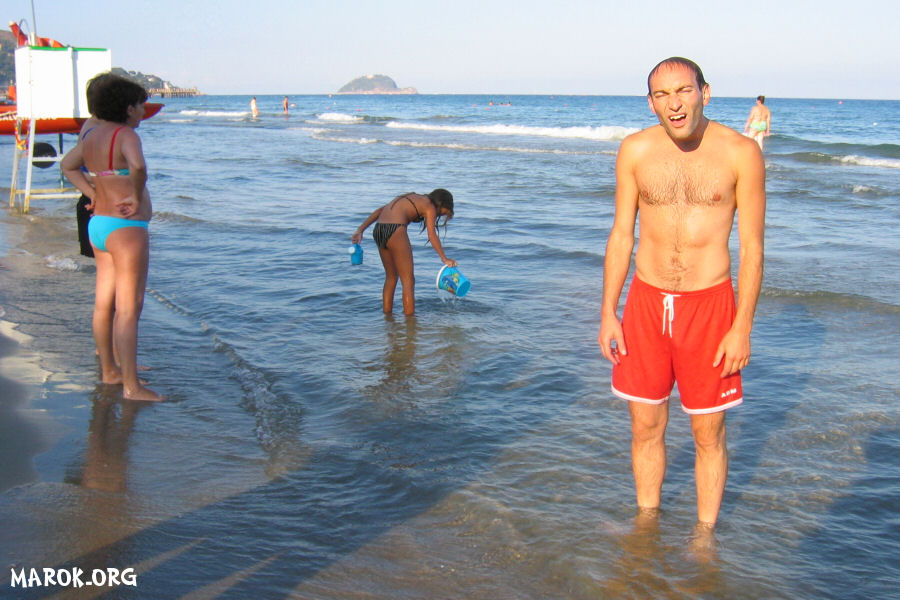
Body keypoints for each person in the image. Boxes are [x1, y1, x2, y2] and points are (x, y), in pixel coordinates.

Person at [597, 57, 765, 530]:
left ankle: (705, 536)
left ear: (704, 93)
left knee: (708, 432)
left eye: (684, 91)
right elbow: (621, 236)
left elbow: (753, 247)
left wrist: (742, 326)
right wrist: (608, 311)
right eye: (663, 94)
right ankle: (646, 523)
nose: (675, 103)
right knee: (644, 426)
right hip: (645, 305)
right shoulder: (634, 150)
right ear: (651, 103)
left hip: (709, 307)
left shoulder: (741, 153)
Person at [61, 73, 163, 401]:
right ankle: (132, 386)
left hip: (99, 225)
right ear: (128, 108)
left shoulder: (91, 136)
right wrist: (134, 195)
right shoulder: (126, 135)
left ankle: (110, 371)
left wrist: (93, 193)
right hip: (126, 229)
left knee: (103, 303)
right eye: (140, 105)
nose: (143, 111)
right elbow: (138, 167)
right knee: (129, 308)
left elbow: (68, 165)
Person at [351, 190, 456, 315]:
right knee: (408, 281)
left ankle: (387, 317)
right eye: (441, 213)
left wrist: (360, 230)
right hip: (396, 229)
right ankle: (410, 321)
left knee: (391, 278)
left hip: (379, 229)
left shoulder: (411, 197)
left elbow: (380, 211)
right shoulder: (430, 206)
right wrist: (444, 258)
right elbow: (432, 235)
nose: (437, 216)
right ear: (441, 203)